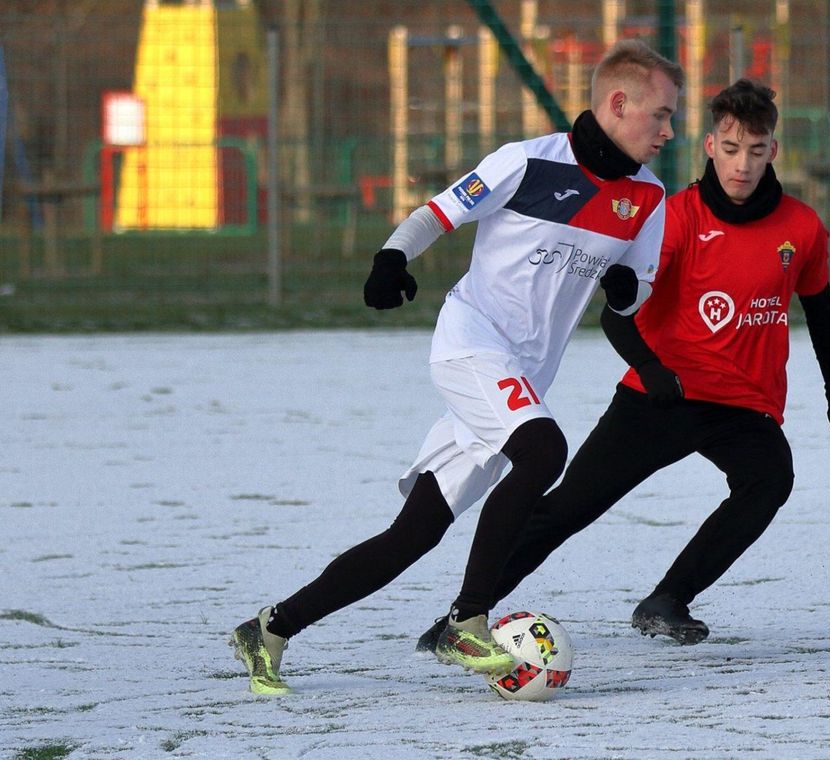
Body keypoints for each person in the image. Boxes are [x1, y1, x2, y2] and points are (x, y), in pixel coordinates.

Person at [229, 39, 684, 694]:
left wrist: (624, 292)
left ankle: (268, 628)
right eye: (661, 115)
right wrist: (392, 259)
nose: (669, 131)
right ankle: (465, 623)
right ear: (618, 103)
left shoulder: (648, 196)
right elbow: (437, 213)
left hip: (523, 379)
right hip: (472, 344)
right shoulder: (527, 162)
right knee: (544, 450)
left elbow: (634, 291)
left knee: (413, 534)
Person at [416, 78, 830, 651]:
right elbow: (617, 314)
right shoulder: (672, 217)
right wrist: (651, 369)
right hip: (659, 395)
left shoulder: (801, 228)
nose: (742, 165)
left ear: (773, 150)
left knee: (769, 479)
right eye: (730, 150)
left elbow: (822, 312)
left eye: (755, 151)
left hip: (744, 405)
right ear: (708, 146)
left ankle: (669, 598)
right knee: (567, 509)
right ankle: (462, 615)